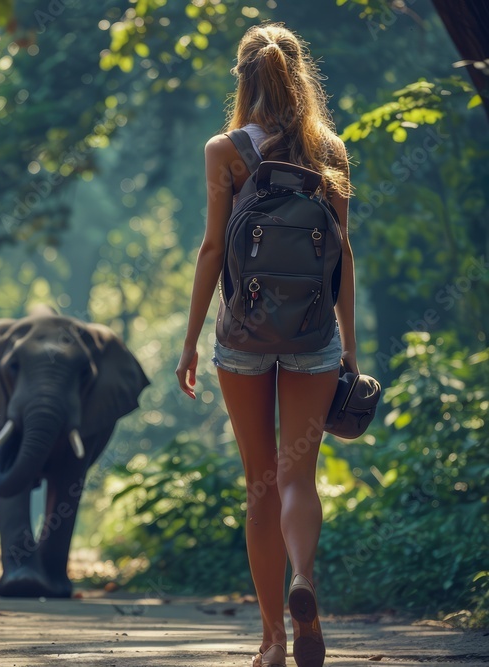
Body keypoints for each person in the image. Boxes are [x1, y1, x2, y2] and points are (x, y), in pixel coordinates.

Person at [174, 23, 356, 667]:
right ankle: (305, 580)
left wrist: (192, 340)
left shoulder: (224, 150)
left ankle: (274, 642)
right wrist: (350, 351)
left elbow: (213, 249)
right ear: (300, 77)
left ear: (244, 79)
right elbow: (343, 258)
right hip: (313, 335)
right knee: (297, 478)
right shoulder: (329, 149)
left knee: (259, 485)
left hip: (244, 337)